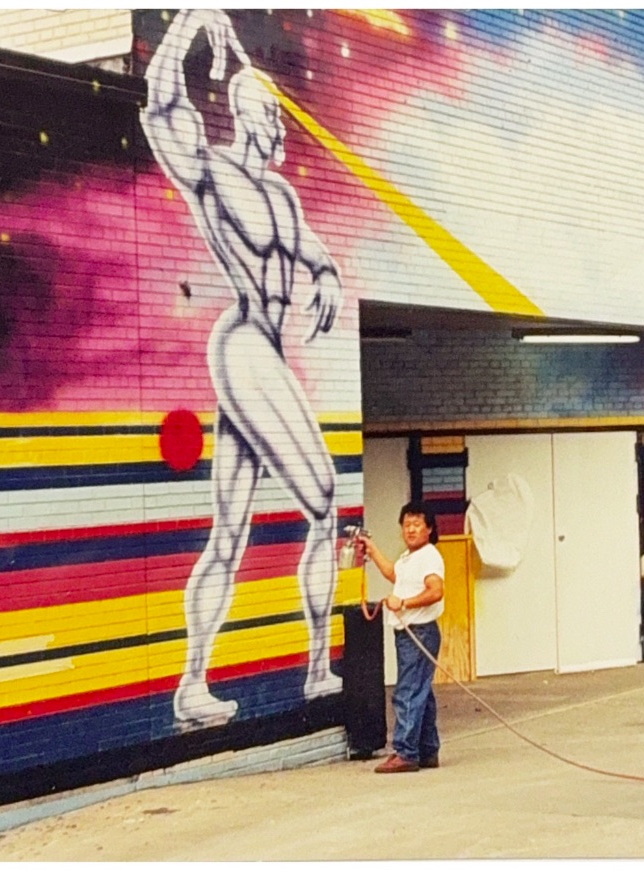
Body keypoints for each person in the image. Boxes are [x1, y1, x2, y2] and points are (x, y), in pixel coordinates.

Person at [141, 10, 345, 728]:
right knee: (325, 503)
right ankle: (320, 668)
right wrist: (191, 22)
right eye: (269, 112)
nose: (282, 127)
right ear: (244, 114)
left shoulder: (285, 198)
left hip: (266, 351)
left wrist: (328, 280)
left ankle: (191, 685)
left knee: (229, 532)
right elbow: (162, 103)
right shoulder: (216, 174)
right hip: (243, 347)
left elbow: (315, 255)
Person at [360, 502, 446, 773]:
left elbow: (436, 591)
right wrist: (372, 551)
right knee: (421, 691)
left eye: (417, 524)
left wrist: (404, 603)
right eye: (406, 524)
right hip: (410, 633)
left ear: (429, 529)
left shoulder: (429, 556)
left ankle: (406, 753)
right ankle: (427, 750)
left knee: (407, 692)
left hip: (419, 632)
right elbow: (394, 575)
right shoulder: (410, 557)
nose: (410, 529)